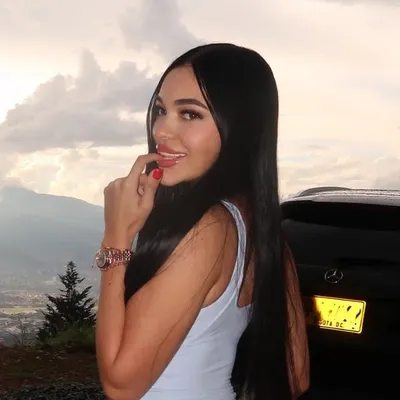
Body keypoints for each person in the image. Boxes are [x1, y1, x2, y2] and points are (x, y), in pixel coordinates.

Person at [94, 43, 310, 400]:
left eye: (190, 114)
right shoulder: (262, 232)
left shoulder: (209, 230)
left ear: (239, 128)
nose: (162, 131)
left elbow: (120, 384)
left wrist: (116, 239)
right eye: (160, 110)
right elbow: (295, 373)